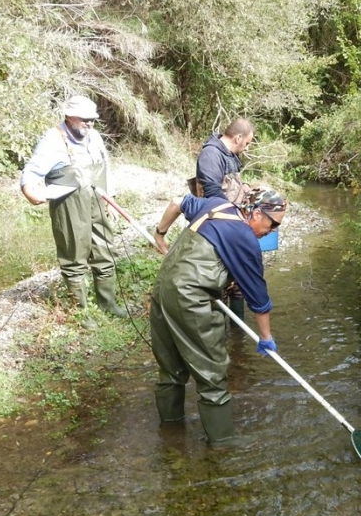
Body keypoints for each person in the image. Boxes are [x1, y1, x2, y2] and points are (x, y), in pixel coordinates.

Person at [149, 188, 288, 448]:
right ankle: (223, 444)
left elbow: (177, 202)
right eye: (273, 225)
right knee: (212, 374)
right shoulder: (245, 239)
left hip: (163, 289)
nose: (272, 232)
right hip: (192, 300)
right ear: (257, 213)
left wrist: (160, 234)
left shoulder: (216, 205)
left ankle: (171, 431)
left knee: (170, 367)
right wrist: (265, 337)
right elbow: (259, 299)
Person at [20, 95, 128, 328]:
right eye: (84, 119)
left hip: (97, 200)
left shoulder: (94, 137)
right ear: (69, 117)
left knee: (104, 249)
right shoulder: (52, 140)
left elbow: (106, 168)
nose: (89, 124)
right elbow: (32, 171)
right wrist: (29, 192)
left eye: (92, 120)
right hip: (68, 204)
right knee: (74, 255)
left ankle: (107, 303)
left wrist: (111, 199)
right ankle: (81, 312)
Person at [194, 118, 255, 200]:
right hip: (216, 206)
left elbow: (229, 184)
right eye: (246, 143)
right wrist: (233, 207)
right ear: (238, 138)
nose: (247, 148)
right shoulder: (211, 154)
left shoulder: (230, 155)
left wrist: (243, 185)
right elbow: (212, 193)